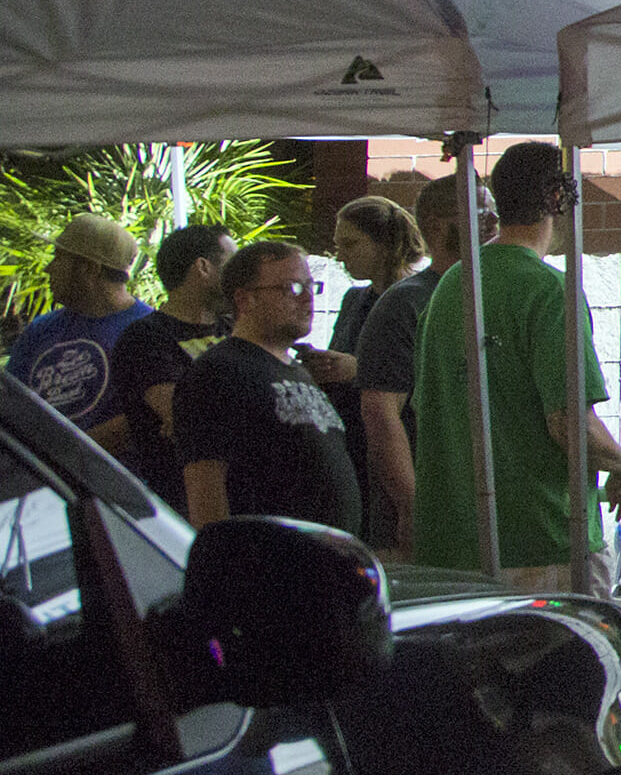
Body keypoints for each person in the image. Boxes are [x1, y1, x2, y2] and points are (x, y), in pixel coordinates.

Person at [408, 142, 621, 589]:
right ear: (558, 198)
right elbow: (569, 423)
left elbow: (429, 405)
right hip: (542, 544)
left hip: (454, 545)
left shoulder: (452, 284)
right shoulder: (548, 290)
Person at [175, 240, 362, 535]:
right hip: (269, 567)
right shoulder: (219, 372)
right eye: (293, 289)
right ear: (245, 299)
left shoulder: (298, 369)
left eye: (311, 287)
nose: (308, 300)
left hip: (327, 563)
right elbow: (206, 492)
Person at [357, 175, 494, 554]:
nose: (493, 224)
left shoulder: (484, 293)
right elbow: (381, 412)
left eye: (494, 213)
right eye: (482, 213)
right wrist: (411, 504)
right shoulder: (406, 304)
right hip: (423, 518)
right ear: (435, 226)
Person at [299, 196, 425, 548]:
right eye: (338, 246)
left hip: (402, 439)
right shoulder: (355, 300)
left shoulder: (417, 298)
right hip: (354, 438)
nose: (342, 255)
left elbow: (426, 372)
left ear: (385, 244)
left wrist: (357, 368)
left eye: (351, 244)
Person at [109, 222, 234, 507]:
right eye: (233, 264)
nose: (241, 277)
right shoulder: (146, 338)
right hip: (183, 504)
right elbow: (188, 417)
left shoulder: (234, 329)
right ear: (203, 267)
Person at [7, 212, 150, 448]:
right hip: (46, 478)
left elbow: (144, 419)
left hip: (110, 482)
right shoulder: (41, 330)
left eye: (58, 257)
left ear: (90, 269)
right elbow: (12, 406)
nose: (48, 269)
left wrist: (67, 455)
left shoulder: (148, 333)